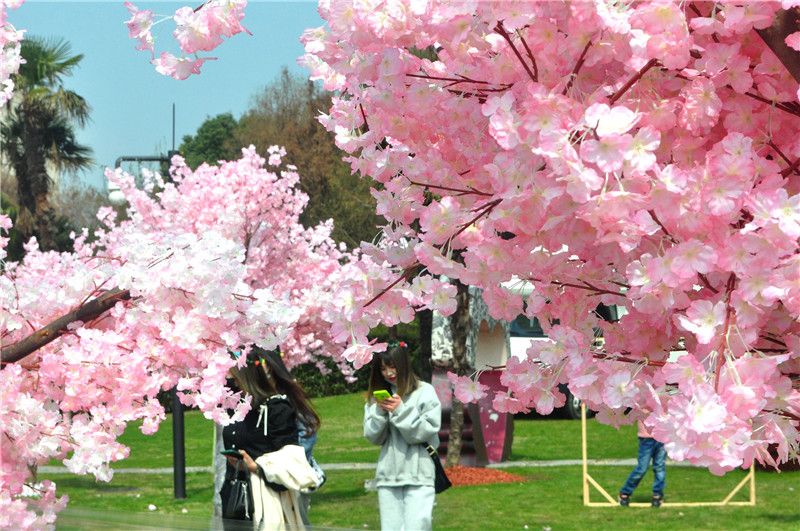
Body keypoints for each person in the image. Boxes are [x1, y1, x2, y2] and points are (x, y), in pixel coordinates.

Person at [221, 346, 321, 529]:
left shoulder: (276, 408)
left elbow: (289, 458)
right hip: (234, 494)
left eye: (235, 378)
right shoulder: (235, 405)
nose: (232, 383)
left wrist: (256, 466)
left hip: (267, 495)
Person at [363, 342, 442, 531]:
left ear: (404, 364)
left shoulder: (425, 392)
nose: (388, 373)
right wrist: (381, 412)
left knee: (418, 526)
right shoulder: (378, 398)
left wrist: (400, 410)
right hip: (388, 476)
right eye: (383, 369)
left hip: (420, 474)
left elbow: (425, 432)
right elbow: (373, 436)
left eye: (392, 366)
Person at [618, 421, 666, 508]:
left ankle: (657, 495)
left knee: (659, 467)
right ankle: (625, 492)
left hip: (662, 437)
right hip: (646, 438)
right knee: (641, 468)